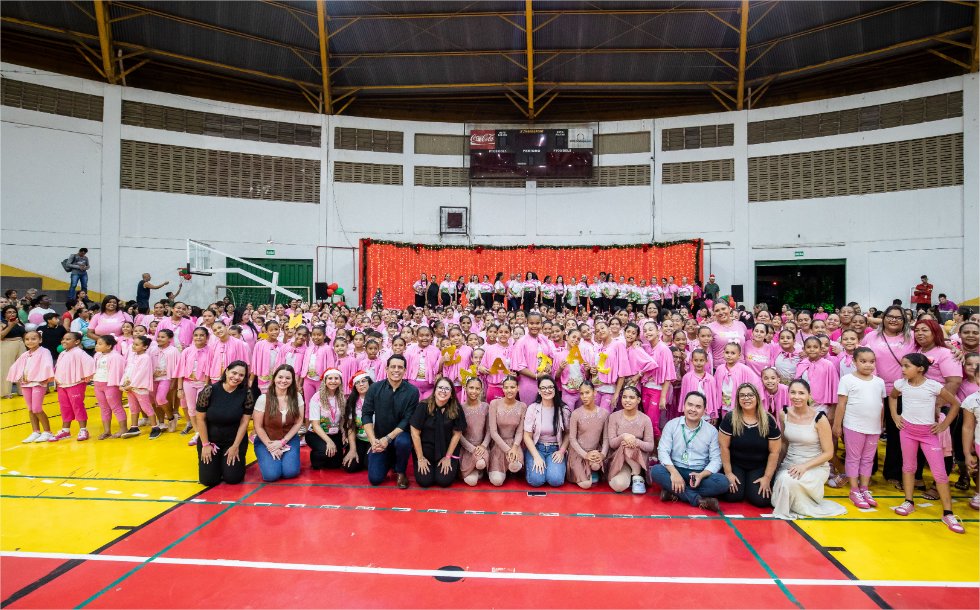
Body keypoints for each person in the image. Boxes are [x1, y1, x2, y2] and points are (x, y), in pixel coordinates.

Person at [889, 353, 964, 533]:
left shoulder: (933, 386)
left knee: (940, 473)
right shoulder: (901, 384)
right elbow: (892, 397)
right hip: (907, 431)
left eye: (907, 366)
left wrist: (944, 424)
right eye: (902, 365)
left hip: (928, 434)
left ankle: (948, 512)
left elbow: (955, 404)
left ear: (920, 369)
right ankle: (908, 501)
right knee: (908, 467)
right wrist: (895, 416)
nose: (903, 369)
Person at [771, 379, 847, 520]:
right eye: (793, 392)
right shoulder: (784, 413)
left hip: (814, 465)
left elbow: (829, 453)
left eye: (801, 393)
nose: (797, 397)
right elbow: (784, 442)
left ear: (809, 395)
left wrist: (804, 466)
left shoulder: (819, 418)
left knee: (789, 482)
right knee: (783, 480)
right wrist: (775, 467)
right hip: (790, 462)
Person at [651, 391, 729, 512]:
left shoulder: (712, 431)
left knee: (723, 482)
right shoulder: (672, 425)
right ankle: (698, 500)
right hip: (676, 469)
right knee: (656, 471)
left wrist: (702, 475)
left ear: (705, 410)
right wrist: (674, 473)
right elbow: (662, 451)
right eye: (690, 405)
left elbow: (716, 460)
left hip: (699, 474)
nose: (693, 409)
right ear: (684, 406)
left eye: (698, 407)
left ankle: (675, 492)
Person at [832, 347, 886, 509]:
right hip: (853, 426)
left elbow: (880, 405)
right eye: (863, 361)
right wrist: (837, 424)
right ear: (854, 362)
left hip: (873, 428)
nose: (868, 365)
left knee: (868, 459)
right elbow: (841, 404)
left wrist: (881, 424)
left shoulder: (879, 381)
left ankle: (864, 488)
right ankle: (854, 489)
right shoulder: (847, 380)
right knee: (854, 457)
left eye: (871, 362)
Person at [718, 383, 782, 508]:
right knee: (732, 496)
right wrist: (729, 473)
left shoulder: (768, 420)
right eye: (742, 396)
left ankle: (749, 487)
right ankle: (743, 487)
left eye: (750, 395)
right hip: (736, 464)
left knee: (761, 500)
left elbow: (774, 452)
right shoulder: (730, 418)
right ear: (737, 400)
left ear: (757, 397)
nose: (746, 398)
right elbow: (723, 447)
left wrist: (767, 477)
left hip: (759, 466)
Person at [362, 354, 420, 488]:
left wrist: (387, 439)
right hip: (379, 437)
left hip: (400, 435)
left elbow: (407, 419)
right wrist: (373, 440)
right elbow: (366, 414)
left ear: (405, 370)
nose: (396, 370)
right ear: (386, 369)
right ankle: (388, 460)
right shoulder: (374, 388)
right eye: (393, 366)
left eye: (400, 367)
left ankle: (400, 471)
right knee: (375, 479)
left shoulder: (412, 391)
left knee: (403, 442)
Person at [195, 360, 254, 486]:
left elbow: (245, 422)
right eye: (234, 373)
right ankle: (216, 464)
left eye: (241, 375)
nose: (236, 377)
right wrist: (205, 444)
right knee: (208, 480)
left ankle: (226, 464)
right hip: (211, 441)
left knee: (233, 478)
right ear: (226, 371)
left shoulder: (247, 393)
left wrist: (235, 446)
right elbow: (200, 419)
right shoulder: (209, 390)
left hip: (233, 441)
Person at [410, 376, 465, 488]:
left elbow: (457, 434)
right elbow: (415, 433)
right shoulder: (423, 406)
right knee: (425, 482)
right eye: (440, 388)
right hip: (425, 452)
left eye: (447, 389)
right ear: (434, 391)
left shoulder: (456, 408)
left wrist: (448, 457)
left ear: (451, 394)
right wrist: (420, 458)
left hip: (446, 451)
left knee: (444, 481)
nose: (443, 391)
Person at [252, 364, 303, 482]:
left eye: (288, 378)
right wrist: (271, 446)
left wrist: (282, 442)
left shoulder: (297, 397)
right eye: (280, 377)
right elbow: (258, 426)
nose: (283, 381)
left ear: (292, 380)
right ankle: (269, 456)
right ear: (274, 378)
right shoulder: (263, 399)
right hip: (267, 440)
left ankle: (288, 458)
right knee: (271, 475)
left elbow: (298, 421)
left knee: (290, 472)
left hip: (288, 439)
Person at [522, 375, 572, 488]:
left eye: (550, 387)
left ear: (555, 389)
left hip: (555, 449)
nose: (547, 390)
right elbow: (527, 436)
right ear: (539, 391)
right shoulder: (533, 408)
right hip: (537, 448)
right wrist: (536, 456)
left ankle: (550, 468)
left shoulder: (563, 410)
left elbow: (568, 433)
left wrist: (562, 451)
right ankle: (532, 465)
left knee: (556, 480)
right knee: (536, 480)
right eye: (543, 388)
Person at [6, 330, 54, 442]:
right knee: (31, 409)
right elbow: (16, 366)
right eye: (27, 339)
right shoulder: (25, 354)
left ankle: (48, 432)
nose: (30, 341)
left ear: (40, 340)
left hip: (38, 383)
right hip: (26, 384)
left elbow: (47, 364)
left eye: (33, 338)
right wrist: (18, 376)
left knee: (37, 408)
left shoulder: (44, 351)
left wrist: (44, 377)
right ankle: (35, 431)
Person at [605, 385, 654, 494]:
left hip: (638, 458)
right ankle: (635, 474)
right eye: (624, 397)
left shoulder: (645, 419)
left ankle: (637, 474)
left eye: (631, 398)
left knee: (627, 446)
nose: (627, 400)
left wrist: (635, 441)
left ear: (638, 400)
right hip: (619, 459)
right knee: (618, 486)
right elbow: (612, 444)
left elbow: (650, 446)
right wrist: (624, 436)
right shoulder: (614, 417)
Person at [566, 381, 609, 488]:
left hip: (594, 451)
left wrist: (602, 454)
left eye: (587, 392)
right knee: (586, 484)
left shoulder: (604, 413)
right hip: (578, 453)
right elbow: (572, 439)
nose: (584, 396)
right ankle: (584, 470)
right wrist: (585, 455)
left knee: (595, 466)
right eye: (581, 393)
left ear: (594, 392)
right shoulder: (576, 414)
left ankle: (592, 469)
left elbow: (606, 438)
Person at [488, 376, 526, 486]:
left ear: (518, 388)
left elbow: (520, 431)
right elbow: (493, 432)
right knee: (497, 482)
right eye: (506, 387)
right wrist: (507, 450)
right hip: (498, 445)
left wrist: (514, 448)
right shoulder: (494, 404)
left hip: (514, 444)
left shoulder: (522, 406)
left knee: (515, 467)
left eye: (512, 387)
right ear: (502, 389)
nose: (509, 390)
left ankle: (511, 468)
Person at [307, 369, 346, 470]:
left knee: (335, 464)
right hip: (316, 434)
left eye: (336, 378)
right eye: (330, 378)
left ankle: (329, 454)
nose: (333, 381)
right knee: (324, 452)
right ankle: (315, 456)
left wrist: (343, 432)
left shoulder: (342, 397)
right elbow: (315, 425)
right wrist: (329, 441)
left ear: (340, 381)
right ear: (325, 381)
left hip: (334, 433)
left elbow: (342, 419)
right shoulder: (316, 398)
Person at [459, 377, 490, 486]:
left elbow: (489, 430)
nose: (474, 391)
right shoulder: (460, 408)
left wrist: (483, 445)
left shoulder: (486, 407)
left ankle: (479, 467)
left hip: (482, 447)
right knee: (471, 482)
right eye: (471, 388)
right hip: (467, 449)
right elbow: (458, 434)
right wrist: (471, 449)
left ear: (481, 390)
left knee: (481, 463)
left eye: (477, 388)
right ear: (465, 388)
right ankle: (473, 468)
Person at [1, 305, 27, 398]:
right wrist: (10, 325)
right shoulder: (2, 323)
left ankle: (22, 390)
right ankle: (5, 393)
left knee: (22, 368)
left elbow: (24, 335)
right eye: (9, 312)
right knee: (6, 369)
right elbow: (1, 336)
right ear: (4, 314)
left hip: (21, 344)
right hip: (7, 345)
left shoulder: (20, 322)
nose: (12, 314)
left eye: (14, 312)